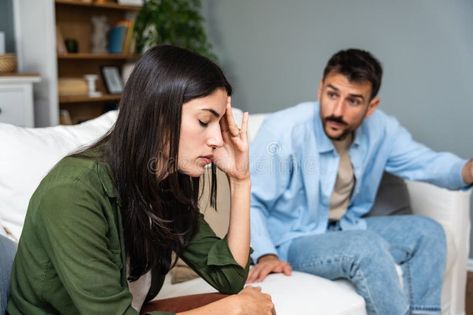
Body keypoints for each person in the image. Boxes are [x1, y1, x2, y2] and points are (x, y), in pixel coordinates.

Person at [7, 45, 274, 315]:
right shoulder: (72, 193)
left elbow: (229, 277)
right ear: (157, 115)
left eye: (219, 125)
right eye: (205, 121)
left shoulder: (166, 182)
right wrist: (233, 310)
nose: (217, 140)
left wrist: (241, 180)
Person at [247, 48, 473, 315]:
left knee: (429, 233)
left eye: (354, 101)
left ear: (371, 107)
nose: (338, 111)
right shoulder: (283, 131)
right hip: (293, 239)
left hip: (345, 227)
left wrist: (467, 171)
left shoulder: (382, 130)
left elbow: (425, 162)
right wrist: (266, 254)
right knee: (364, 245)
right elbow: (251, 201)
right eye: (332, 94)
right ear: (320, 89)